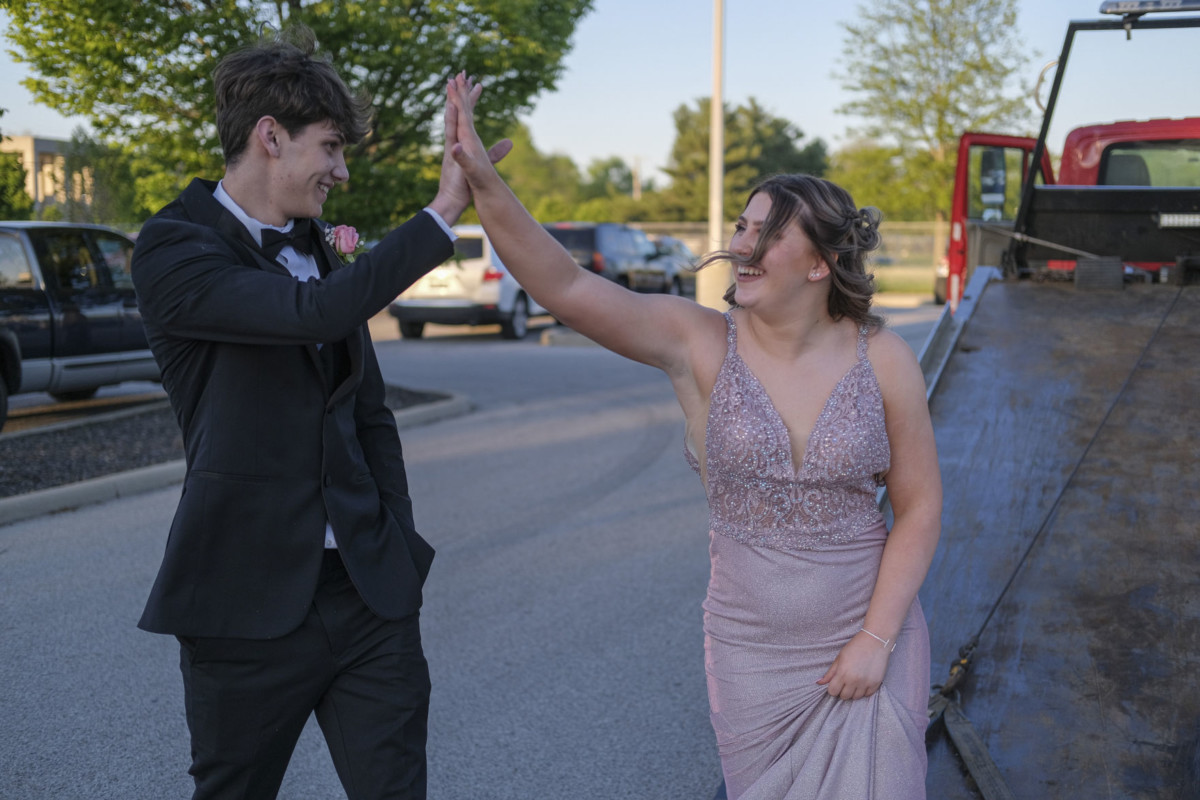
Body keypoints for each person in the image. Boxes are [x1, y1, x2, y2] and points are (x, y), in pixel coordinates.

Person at [442, 74, 941, 798]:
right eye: (741, 226)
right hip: (753, 659)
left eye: (765, 234)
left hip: (869, 641)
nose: (741, 244)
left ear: (819, 263)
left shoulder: (884, 358)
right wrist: (484, 180)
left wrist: (876, 639)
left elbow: (920, 507)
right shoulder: (699, 342)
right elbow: (567, 288)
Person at [131, 33, 505, 799]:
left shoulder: (320, 251)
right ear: (271, 136)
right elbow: (312, 313)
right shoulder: (174, 247)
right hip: (243, 604)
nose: (340, 170)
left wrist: (397, 544)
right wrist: (444, 210)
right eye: (331, 147)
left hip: (369, 600)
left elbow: (369, 415)